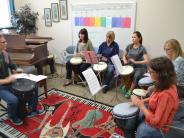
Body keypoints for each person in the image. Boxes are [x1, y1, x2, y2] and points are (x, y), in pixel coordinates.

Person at [0, 35, 43, 125]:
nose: (6, 43)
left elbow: (12, 66)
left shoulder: (4, 53)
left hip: (10, 81)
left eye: (5, 41)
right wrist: (7, 80)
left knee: (34, 86)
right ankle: (12, 117)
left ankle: (32, 110)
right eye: (3, 42)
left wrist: (16, 71)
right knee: (13, 100)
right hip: (2, 86)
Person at [131, 57, 179, 138]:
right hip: (154, 113)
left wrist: (141, 106)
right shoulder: (164, 83)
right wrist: (143, 101)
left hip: (159, 128)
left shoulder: (166, 95)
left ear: (161, 74)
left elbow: (157, 123)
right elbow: (155, 98)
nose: (149, 73)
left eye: (151, 72)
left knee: (139, 129)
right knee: (135, 116)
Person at [122, 31, 149, 98]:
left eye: (134, 37)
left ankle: (130, 91)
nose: (133, 38)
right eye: (132, 37)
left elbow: (146, 60)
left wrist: (135, 62)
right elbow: (123, 55)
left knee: (136, 75)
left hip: (140, 67)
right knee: (124, 72)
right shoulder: (129, 46)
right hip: (131, 65)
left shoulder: (142, 48)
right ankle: (126, 86)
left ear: (139, 38)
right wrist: (125, 60)